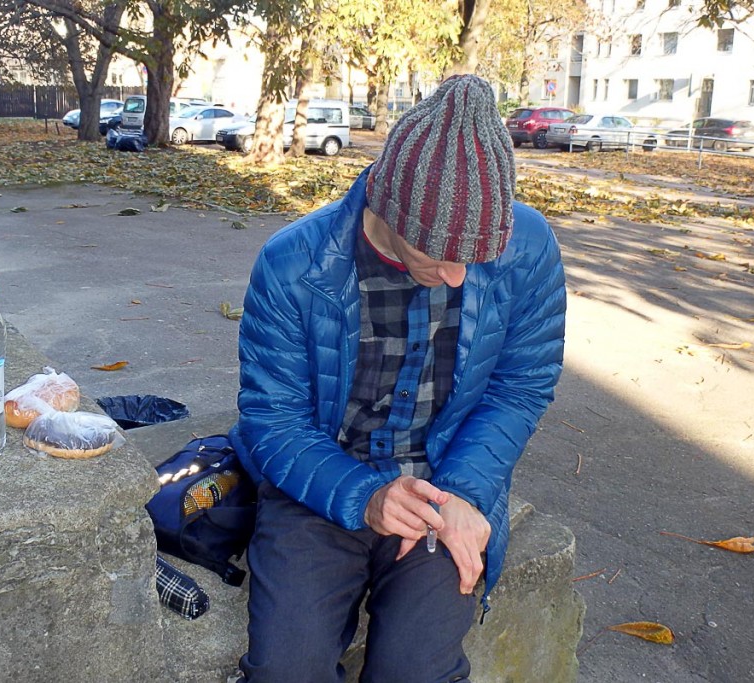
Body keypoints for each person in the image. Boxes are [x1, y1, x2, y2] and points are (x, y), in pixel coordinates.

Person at [227, 75, 567, 683]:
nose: (461, 276)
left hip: (445, 486)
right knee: (285, 670)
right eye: (439, 255)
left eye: (476, 257)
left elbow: (521, 385)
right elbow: (273, 420)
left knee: (415, 670)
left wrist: (467, 491)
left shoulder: (529, 245)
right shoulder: (292, 262)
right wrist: (365, 498)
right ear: (387, 207)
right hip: (321, 479)